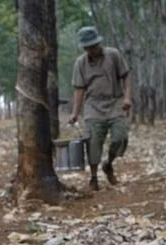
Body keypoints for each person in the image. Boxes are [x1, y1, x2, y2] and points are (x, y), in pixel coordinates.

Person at [68, 26, 132, 191]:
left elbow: (126, 75)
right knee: (93, 142)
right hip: (93, 106)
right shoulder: (80, 63)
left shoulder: (113, 55)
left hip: (115, 101)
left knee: (120, 137)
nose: (92, 49)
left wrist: (127, 97)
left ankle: (108, 163)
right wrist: (75, 112)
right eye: (87, 47)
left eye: (94, 46)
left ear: (99, 42)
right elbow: (79, 89)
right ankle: (94, 177)